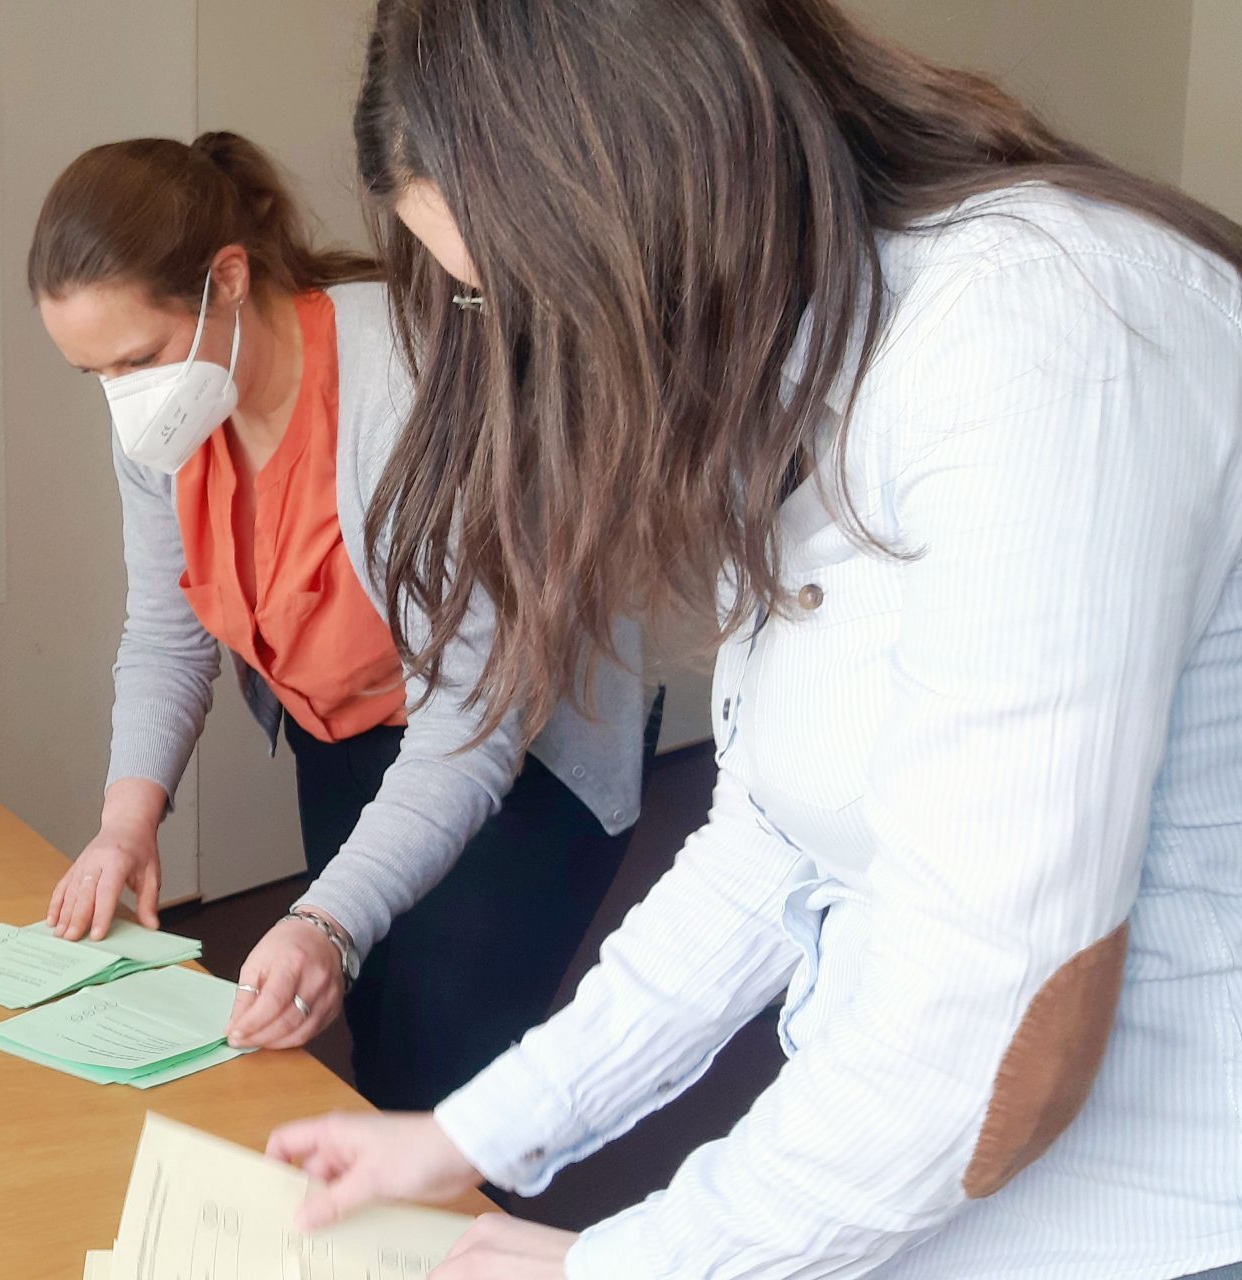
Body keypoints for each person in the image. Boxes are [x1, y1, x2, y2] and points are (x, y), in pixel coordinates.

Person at [266, 1, 1242, 1276]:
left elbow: (995, 1023)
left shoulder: (1035, 329)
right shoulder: (808, 359)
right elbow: (767, 843)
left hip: (1150, 1220)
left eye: (515, 285)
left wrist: (618, 1264)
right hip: (915, 1191)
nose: (525, 340)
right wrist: (464, 1133)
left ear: (645, 188)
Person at [27, 134, 654, 1111]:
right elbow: (166, 629)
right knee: (373, 1014)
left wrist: (326, 917)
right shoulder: (163, 423)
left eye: (137, 357)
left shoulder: (402, 382)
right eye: (93, 373)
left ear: (227, 279)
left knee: (444, 1061)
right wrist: (125, 821)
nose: (124, 395)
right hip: (350, 732)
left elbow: (469, 723)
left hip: (516, 743)